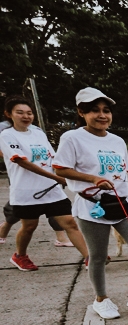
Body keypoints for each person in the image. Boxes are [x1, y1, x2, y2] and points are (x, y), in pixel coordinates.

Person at [53, 88, 128, 320]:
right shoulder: (72, 138)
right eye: (94, 110)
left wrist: (127, 196)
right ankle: (101, 299)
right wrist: (93, 179)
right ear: (81, 112)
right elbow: (60, 169)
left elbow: (121, 174)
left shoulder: (118, 141)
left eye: (106, 110)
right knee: (98, 257)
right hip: (92, 207)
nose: (102, 115)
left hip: (122, 205)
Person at [0, 96, 88, 271]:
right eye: (20, 113)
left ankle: (90, 258)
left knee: (69, 222)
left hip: (52, 191)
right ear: (8, 114)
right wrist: (56, 178)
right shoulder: (7, 135)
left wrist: (66, 173)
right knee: (29, 226)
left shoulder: (38, 132)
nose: (26, 116)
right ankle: (19, 256)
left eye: (29, 113)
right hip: (26, 191)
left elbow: (52, 156)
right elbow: (22, 161)